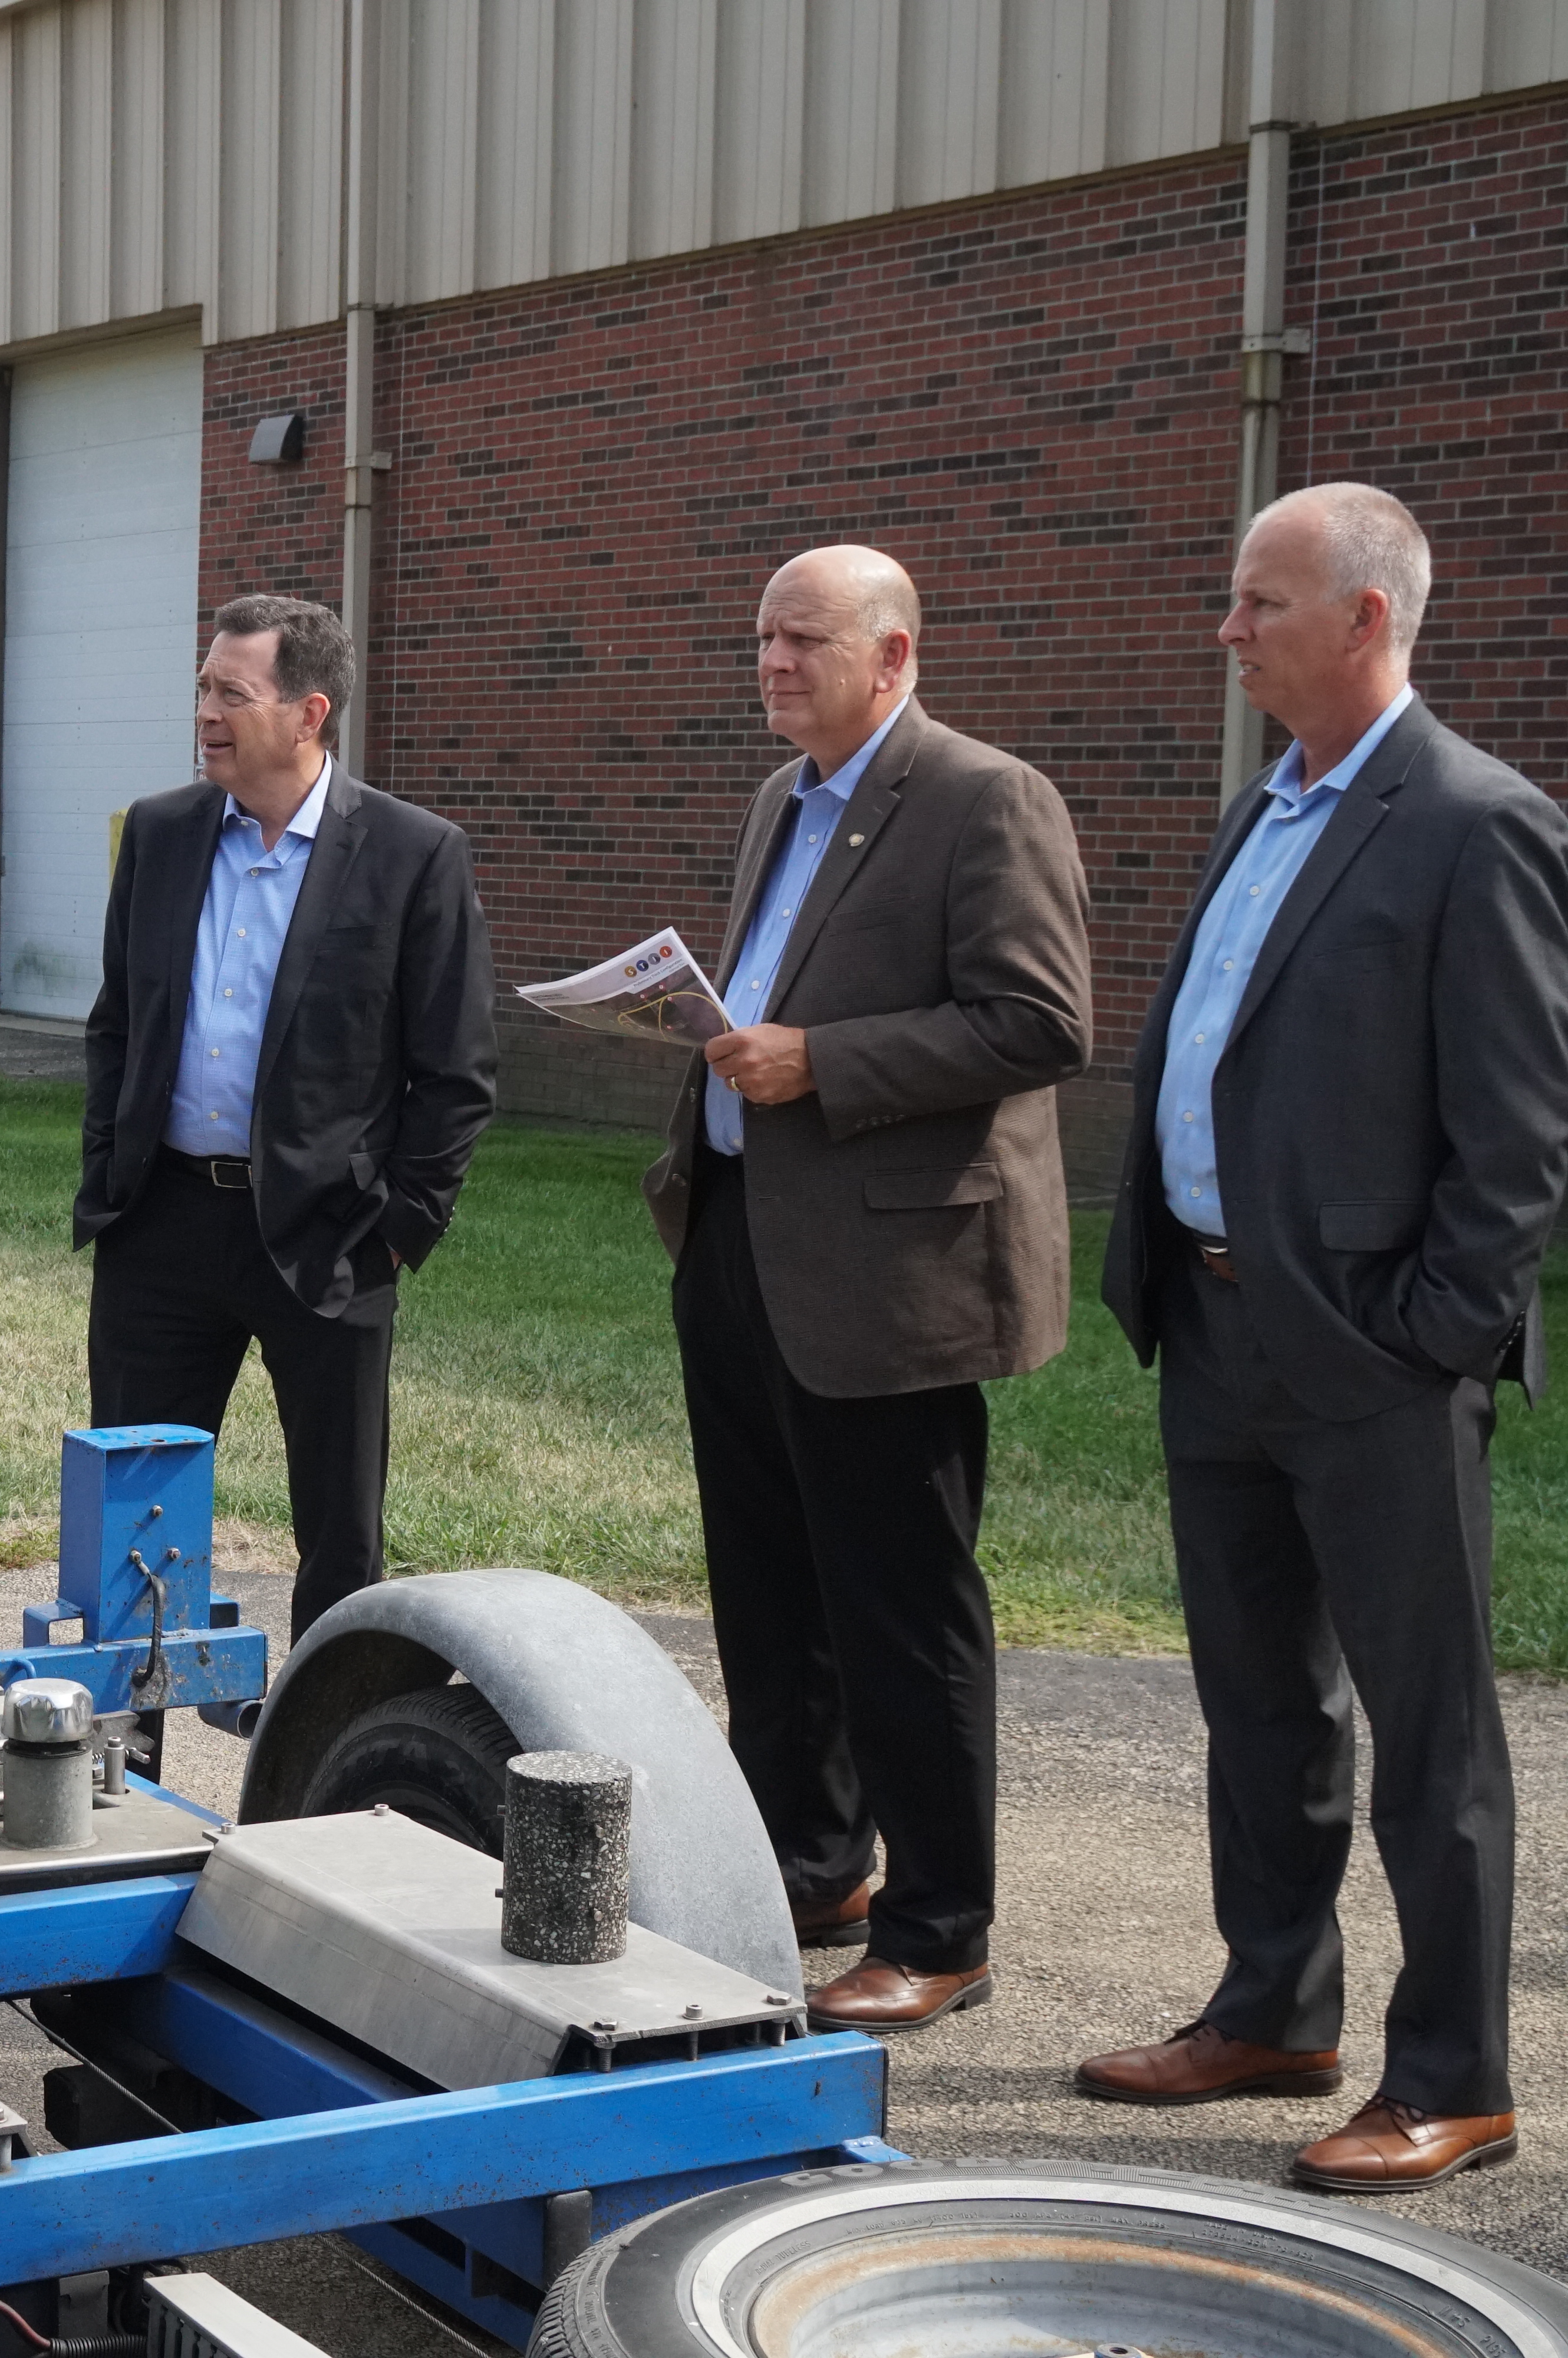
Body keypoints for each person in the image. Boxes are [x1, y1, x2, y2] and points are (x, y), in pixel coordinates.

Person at [1078, 483, 1568, 2194]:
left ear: (1366, 617)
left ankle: (1456, 2077)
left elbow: (1516, 1138)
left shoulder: (1475, 823)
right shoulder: (1258, 812)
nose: (1229, 630)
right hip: (1218, 1333)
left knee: (1430, 1735)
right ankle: (1275, 2003)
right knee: (1259, 1705)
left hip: (1370, 1357)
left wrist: (1432, 1335)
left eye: (1258, 603)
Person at [642, 545, 1091, 2033]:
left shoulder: (984, 797)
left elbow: (1036, 1021)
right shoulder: (784, 798)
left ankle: (940, 1921)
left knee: (901, 1610)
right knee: (769, 1596)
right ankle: (812, 1860)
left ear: (893, 656)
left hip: (890, 1277)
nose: (772, 662)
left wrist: (823, 1062)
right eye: (762, 634)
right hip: (742, 1246)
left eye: (805, 640)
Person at [77, 594, 496, 1648]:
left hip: (331, 1236)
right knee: (134, 1509)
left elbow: (456, 1072)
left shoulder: (412, 853)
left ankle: (327, 1754)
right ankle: (121, 1766)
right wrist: (108, 1171)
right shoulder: (163, 833)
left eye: (233, 692)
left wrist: (402, 1226)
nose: (207, 712)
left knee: (340, 1531)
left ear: (309, 713)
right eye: (203, 689)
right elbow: (117, 1024)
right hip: (161, 1226)